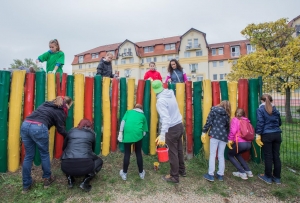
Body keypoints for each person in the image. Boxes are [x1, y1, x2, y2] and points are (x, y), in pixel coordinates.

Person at [21, 96, 72, 193]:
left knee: (28, 156)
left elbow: (42, 116)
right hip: (39, 127)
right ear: (67, 105)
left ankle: (26, 185)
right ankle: (47, 179)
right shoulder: (61, 111)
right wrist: (70, 136)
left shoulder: (46, 104)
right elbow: (60, 129)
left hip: (26, 124)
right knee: (44, 154)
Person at [152, 80, 186, 183]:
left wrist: (162, 135)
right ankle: (182, 170)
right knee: (179, 150)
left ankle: (174, 176)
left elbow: (165, 119)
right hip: (179, 125)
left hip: (171, 128)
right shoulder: (170, 93)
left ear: (154, 90)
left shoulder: (161, 101)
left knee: (173, 153)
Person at [61, 119, 103, 191]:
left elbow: (64, 147)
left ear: (79, 124)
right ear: (90, 126)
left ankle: (70, 179)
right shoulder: (92, 134)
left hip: (66, 167)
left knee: (66, 158)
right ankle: (85, 182)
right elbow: (92, 150)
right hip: (85, 166)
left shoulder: (71, 131)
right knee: (99, 161)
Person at [201, 100, 231, 182]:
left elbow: (208, 122)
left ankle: (210, 174)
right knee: (221, 155)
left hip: (214, 134)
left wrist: (204, 132)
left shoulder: (214, 110)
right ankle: (220, 175)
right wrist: (228, 138)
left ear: (220, 104)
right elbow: (228, 127)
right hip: (224, 136)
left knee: (212, 155)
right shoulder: (227, 113)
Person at [256, 94, 282, 184]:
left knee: (268, 156)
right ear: (271, 100)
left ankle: (268, 177)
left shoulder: (260, 109)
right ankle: (277, 177)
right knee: (276, 156)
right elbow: (280, 122)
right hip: (277, 134)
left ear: (262, 101)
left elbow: (260, 122)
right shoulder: (275, 109)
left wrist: (258, 134)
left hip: (267, 135)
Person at [118, 104, 148, 180]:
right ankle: (141, 173)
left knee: (127, 153)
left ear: (134, 108)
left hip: (127, 134)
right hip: (138, 135)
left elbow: (123, 122)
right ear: (141, 109)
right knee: (138, 153)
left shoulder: (128, 112)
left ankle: (124, 174)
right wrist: (140, 135)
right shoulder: (143, 116)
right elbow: (144, 132)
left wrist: (121, 132)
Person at [227, 108, 253, 180]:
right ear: (243, 114)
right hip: (248, 144)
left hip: (240, 143)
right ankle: (248, 171)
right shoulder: (247, 121)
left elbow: (233, 131)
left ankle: (241, 172)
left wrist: (230, 140)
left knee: (230, 154)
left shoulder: (235, 120)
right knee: (237, 154)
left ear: (236, 113)